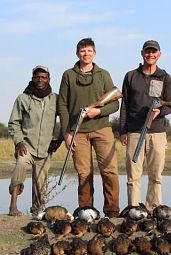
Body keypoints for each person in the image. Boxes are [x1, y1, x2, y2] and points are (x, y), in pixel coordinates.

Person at [57, 37, 120, 218]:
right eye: (83, 51)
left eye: (89, 51)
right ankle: (86, 212)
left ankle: (112, 212)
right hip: (78, 132)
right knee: (84, 173)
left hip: (102, 129)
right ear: (77, 53)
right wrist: (67, 133)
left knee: (110, 171)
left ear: (95, 53)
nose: (86, 54)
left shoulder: (103, 75)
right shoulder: (68, 75)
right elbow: (62, 105)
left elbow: (115, 103)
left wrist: (97, 112)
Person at [119, 40, 171, 213]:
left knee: (156, 176)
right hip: (134, 132)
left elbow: (170, 104)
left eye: (154, 52)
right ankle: (134, 211)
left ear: (159, 54)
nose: (150, 55)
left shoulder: (165, 77)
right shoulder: (131, 76)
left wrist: (160, 111)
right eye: (147, 52)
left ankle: (154, 210)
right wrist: (123, 130)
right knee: (133, 176)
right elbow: (125, 105)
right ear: (142, 53)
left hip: (157, 132)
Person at [8, 65, 61, 216]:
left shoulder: (55, 99)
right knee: (20, 167)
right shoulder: (23, 99)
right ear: (32, 79)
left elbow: (65, 118)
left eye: (43, 77)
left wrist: (59, 139)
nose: (40, 80)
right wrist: (18, 142)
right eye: (37, 77)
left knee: (40, 184)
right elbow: (14, 122)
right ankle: (13, 206)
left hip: (45, 149)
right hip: (26, 147)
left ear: (49, 79)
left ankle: (36, 212)